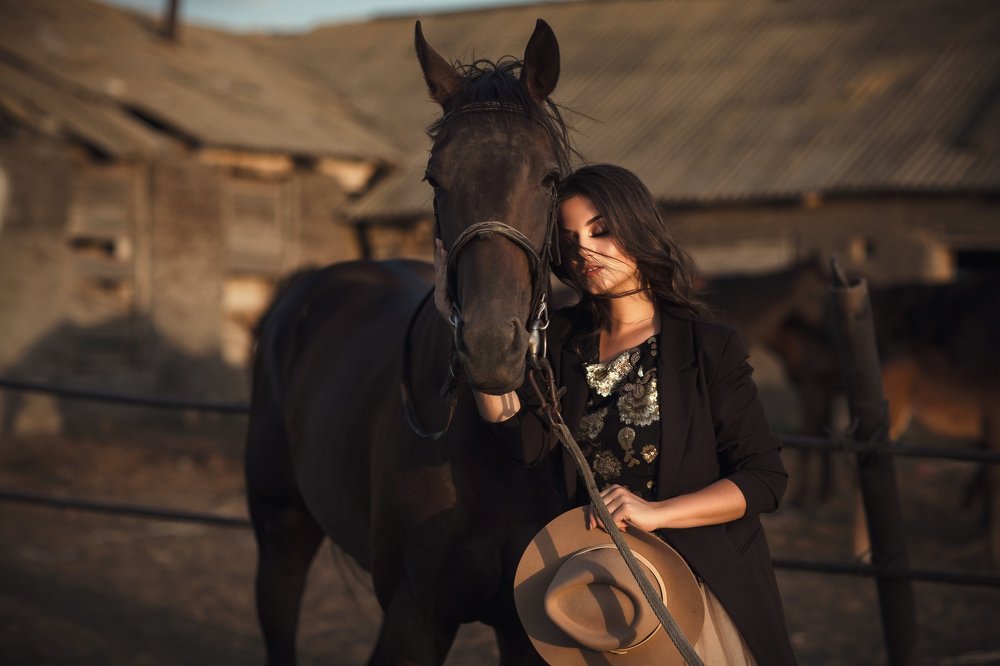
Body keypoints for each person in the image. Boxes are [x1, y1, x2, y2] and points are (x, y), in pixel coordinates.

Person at [434, 163, 796, 665]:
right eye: (569, 240)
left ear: (637, 225)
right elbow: (527, 445)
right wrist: (469, 334)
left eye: (600, 230)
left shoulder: (708, 346)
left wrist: (656, 513)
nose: (585, 252)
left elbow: (764, 479)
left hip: (698, 582)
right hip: (597, 585)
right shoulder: (559, 341)